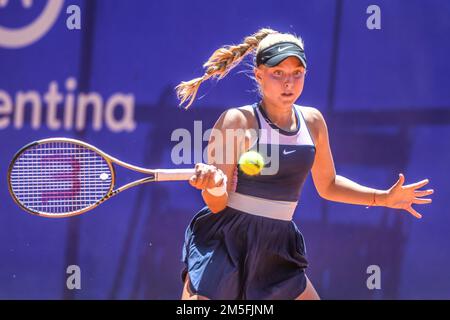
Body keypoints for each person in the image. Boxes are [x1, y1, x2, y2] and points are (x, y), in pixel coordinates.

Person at [175, 28, 434, 300]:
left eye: (297, 74)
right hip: (226, 242)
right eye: (278, 73)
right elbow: (217, 203)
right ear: (259, 74)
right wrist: (214, 186)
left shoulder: (313, 122)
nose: (289, 83)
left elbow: (329, 184)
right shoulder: (236, 121)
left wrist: (383, 198)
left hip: (277, 246)